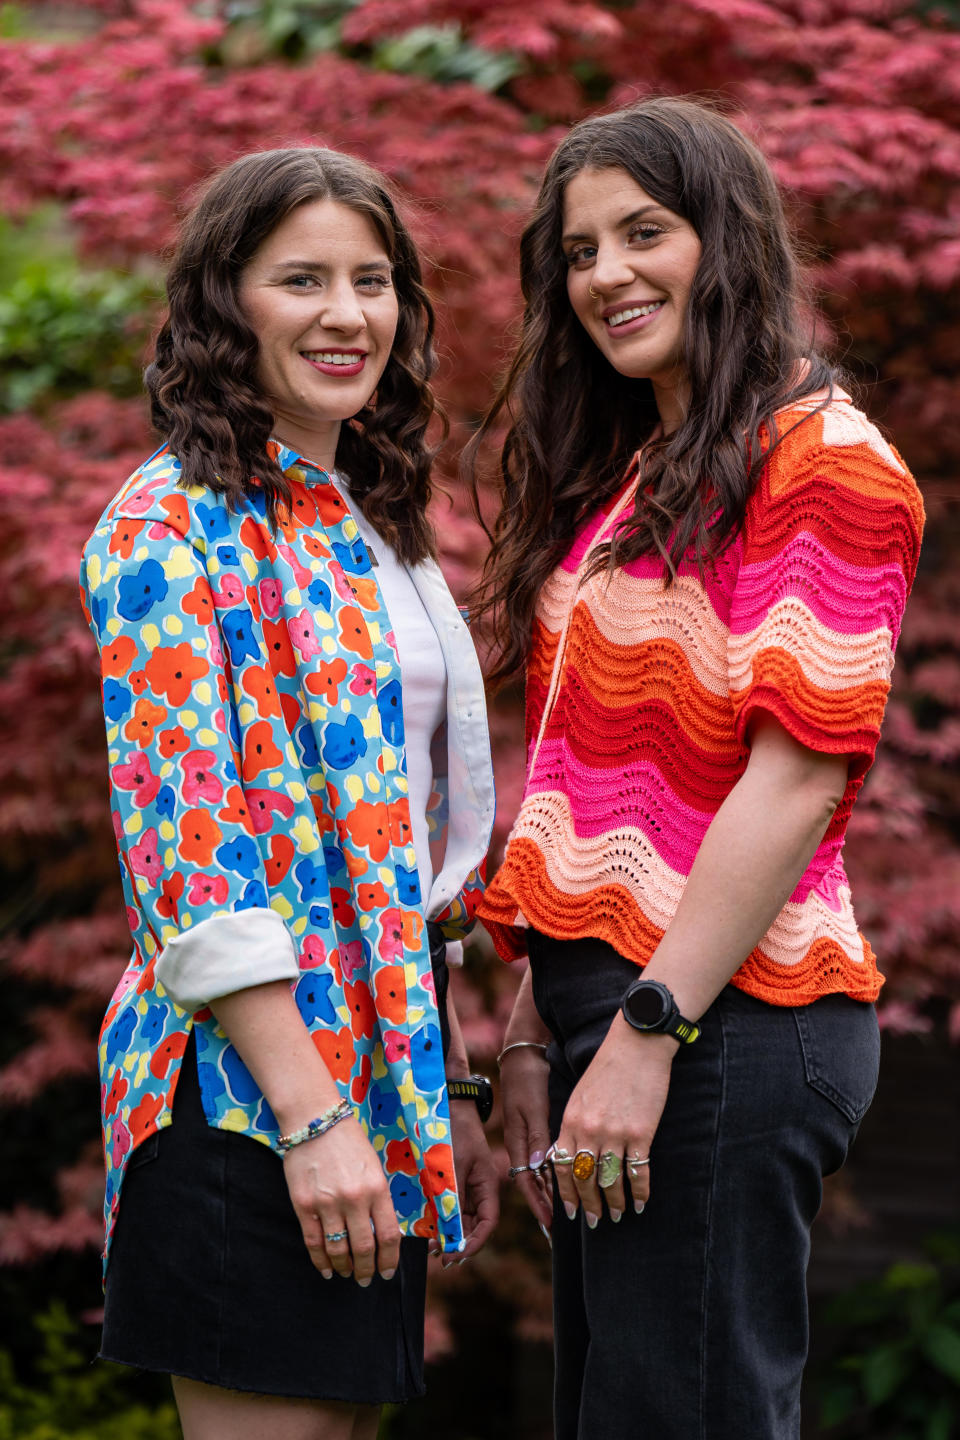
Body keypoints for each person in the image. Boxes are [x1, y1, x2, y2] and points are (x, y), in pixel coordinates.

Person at [471, 97, 924, 1439]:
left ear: (730, 239)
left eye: (644, 234)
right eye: (579, 250)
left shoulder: (826, 463)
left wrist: (647, 1035)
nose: (607, 274)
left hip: (727, 1016)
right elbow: (586, 773)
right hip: (626, 1012)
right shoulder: (651, 473)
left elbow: (792, 782)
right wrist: (532, 1023)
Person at [79, 145, 498, 1440]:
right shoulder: (168, 527)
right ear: (226, 302)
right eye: (301, 278)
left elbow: (398, 841)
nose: (347, 313)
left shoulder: (368, 521)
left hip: (379, 1082)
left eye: (372, 280)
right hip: (240, 1095)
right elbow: (186, 855)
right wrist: (310, 1116)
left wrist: (453, 1078)